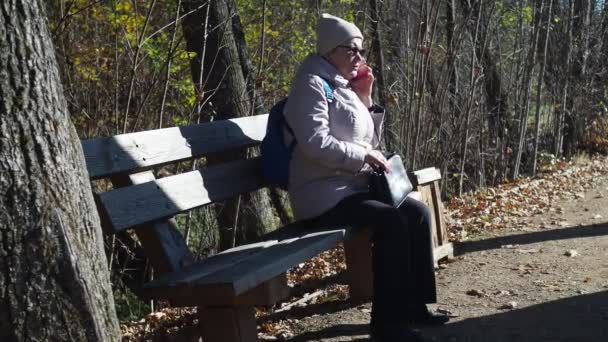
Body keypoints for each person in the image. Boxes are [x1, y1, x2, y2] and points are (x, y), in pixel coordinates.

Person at [283, 13, 449, 341]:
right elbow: (315, 143)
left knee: (416, 212)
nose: (360, 57)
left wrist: (366, 96)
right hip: (321, 195)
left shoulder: (342, 84)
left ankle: (414, 307)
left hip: (351, 188)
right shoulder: (311, 84)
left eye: (361, 50)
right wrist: (363, 155)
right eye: (352, 50)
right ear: (330, 50)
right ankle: (387, 326)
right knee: (390, 221)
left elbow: (369, 142)